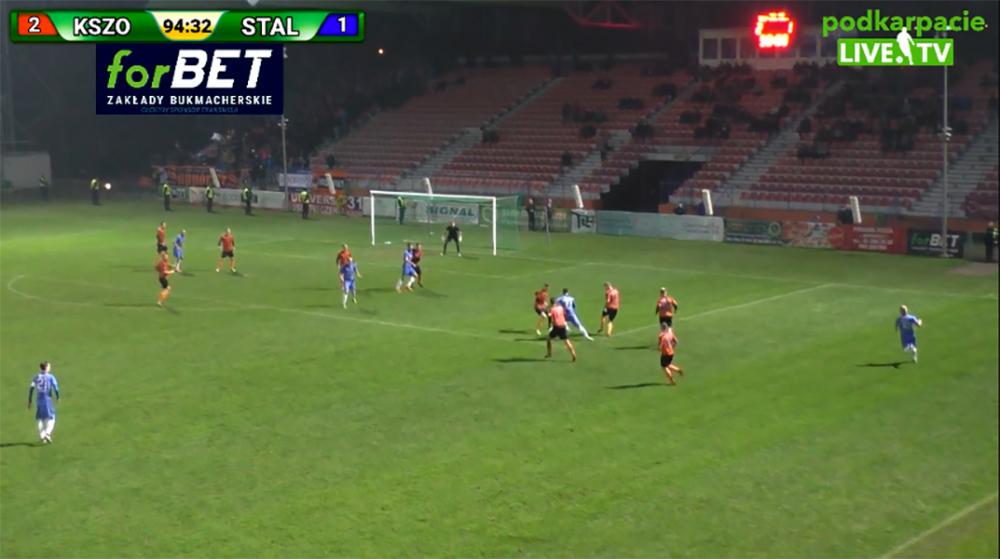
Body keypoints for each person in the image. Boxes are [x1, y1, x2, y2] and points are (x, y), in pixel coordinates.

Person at [28, 362, 60, 444]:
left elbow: (31, 388)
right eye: (49, 366)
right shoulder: (50, 377)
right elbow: (56, 387)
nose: (50, 367)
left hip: (39, 400)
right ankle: (47, 434)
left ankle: (42, 436)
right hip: (47, 399)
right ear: (46, 368)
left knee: (40, 418)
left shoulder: (36, 377)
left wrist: (30, 401)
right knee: (52, 417)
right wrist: (58, 397)